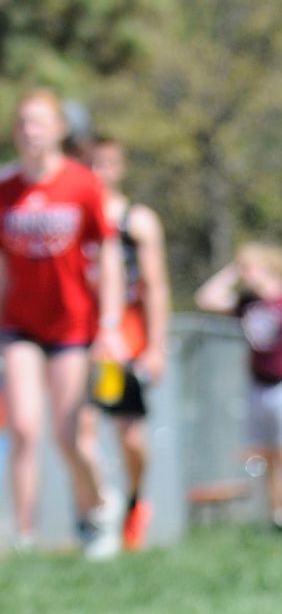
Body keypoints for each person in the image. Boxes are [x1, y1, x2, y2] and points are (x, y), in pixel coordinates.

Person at [0, 88, 125, 556]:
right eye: (23, 123)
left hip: (72, 326)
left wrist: (110, 324)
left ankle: (98, 511)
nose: (30, 132)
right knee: (25, 427)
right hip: (18, 325)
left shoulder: (81, 185)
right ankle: (25, 538)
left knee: (67, 434)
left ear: (58, 130)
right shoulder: (6, 189)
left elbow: (108, 254)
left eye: (39, 122)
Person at [194, 243, 282, 527]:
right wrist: (233, 272)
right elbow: (205, 299)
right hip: (259, 386)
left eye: (249, 267)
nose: (246, 275)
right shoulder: (248, 304)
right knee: (268, 456)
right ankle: (280, 517)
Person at [83, 134, 170, 550]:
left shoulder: (137, 220)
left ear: (120, 167)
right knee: (80, 431)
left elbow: (155, 286)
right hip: (80, 337)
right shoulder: (76, 214)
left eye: (107, 163)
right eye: (91, 163)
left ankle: (135, 501)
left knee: (129, 436)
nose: (99, 172)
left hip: (125, 342)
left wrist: (156, 346)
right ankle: (95, 514)